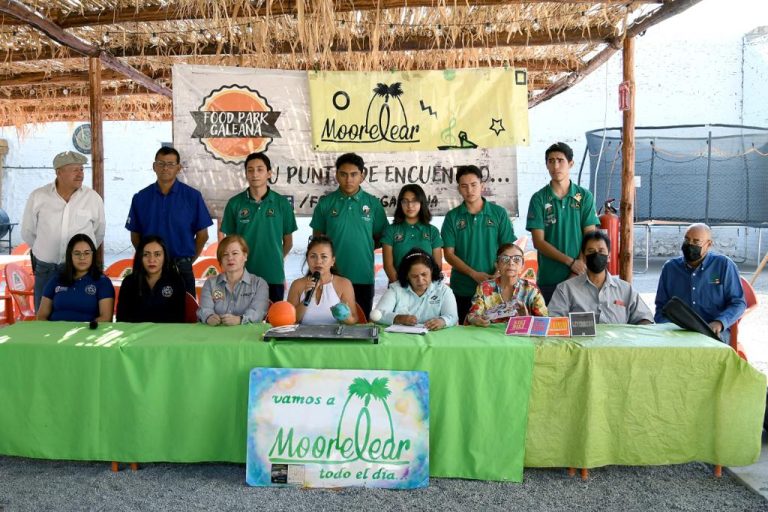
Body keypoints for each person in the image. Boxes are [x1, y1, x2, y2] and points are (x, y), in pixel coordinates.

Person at [21, 151, 105, 311]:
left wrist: (81, 254)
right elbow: (28, 232)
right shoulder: (38, 196)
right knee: (44, 316)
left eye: (82, 169)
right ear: (58, 172)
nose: (80, 174)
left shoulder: (93, 198)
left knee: (79, 314)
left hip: (80, 270)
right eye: (75, 170)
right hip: (46, 268)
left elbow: (98, 232)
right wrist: (46, 249)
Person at [125, 146, 213, 296]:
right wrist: (148, 257)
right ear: (154, 167)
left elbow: (203, 236)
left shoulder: (193, 197)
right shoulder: (141, 198)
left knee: (185, 315)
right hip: (150, 269)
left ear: (178, 168)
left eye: (171, 164)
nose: (165, 168)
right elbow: (135, 236)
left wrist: (188, 261)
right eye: (161, 163)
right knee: (149, 314)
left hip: (182, 267)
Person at [310, 153, 388, 319]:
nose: (348, 179)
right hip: (330, 277)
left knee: (360, 323)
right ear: (337, 175)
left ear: (362, 175)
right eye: (343, 174)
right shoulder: (326, 203)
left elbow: (381, 237)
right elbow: (317, 240)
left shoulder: (373, 204)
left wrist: (363, 247)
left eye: (354, 174)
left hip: (363, 276)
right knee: (329, 322)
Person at [441, 164, 516, 324]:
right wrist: (473, 274)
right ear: (459, 189)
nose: (470, 190)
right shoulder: (452, 217)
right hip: (462, 288)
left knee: (495, 335)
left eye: (474, 185)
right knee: (464, 335)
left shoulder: (499, 213)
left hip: (496, 287)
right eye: (464, 186)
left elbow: (508, 249)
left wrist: (497, 273)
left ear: (482, 186)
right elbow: (448, 254)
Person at [526, 142, 599, 303]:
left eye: (560, 160)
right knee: (551, 324)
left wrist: (577, 268)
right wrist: (571, 262)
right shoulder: (539, 199)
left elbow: (590, 237)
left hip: (581, 277)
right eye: (551, 161)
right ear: (546, 165)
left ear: (570, 164)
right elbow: (538, 242)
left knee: (581, 325)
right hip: (549, 278)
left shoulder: (584, 196)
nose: (555, 165)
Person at [220, 152, 297, 303]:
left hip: (273, 275)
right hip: (241, 275)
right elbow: (229, 243)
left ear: (269, 173)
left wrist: (275, 259)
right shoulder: (234, 203)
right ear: (246, 174)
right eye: (250, 170)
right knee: (242, 320)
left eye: (260, 169)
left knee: (272, 321)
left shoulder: (282, 203)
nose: (255, 174)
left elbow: (288, 241)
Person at [654, 223, 745, 342]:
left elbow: (738, 303)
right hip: (678, 332)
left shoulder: (724, 265)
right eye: (687, 240)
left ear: (709, 244)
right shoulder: (670, 268)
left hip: (713, 332)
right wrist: (669, 327)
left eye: (696, 242)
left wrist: (719, 322)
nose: (690, 244)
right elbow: (661, 307)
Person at [548, 231, 654, 324]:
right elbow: (553, 322)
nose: (596, 255)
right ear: (584, 257)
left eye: (601, 251)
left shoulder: (626, 290)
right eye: (591, 251)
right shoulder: (565, 289)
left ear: (608, 257)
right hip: (580, 346)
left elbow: (645, 319)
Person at [373, 248, 457, 330]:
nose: (420, 280)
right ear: (407, 276)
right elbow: (377, 314)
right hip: (401, 338)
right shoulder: (396, 289)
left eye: (424, 274)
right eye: (414, 276)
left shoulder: (443, 290)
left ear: (431, 271)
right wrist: (398, 318)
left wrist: (442, 321)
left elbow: (452, 316)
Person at [37, 234, 114, 322]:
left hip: (87, 333)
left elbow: (105, 319)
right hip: (55, 333)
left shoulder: (103, 282)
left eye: (87, 253)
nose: (82, 257)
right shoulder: (56, 280)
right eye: (77, 253)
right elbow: (41, 316)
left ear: (93, 255)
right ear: (70, 256)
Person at [466, 243, 548, 327]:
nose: (511, 263)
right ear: (497, 265)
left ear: (522, 266)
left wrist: (526, 318)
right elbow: (472, 315)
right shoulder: (484, 287)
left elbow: (545, 322)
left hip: (520, 338)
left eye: (517, 259)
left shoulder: (532, 290)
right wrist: (476, 320)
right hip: (489, 337)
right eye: (505, 259)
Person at [197, 235, 269, 325]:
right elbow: (204, 309)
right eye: (225, 254)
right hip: (214, 334)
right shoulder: (210, 283)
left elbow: (258, 312)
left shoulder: (259, 284)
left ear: (245, 256)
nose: (230, 258)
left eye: (235, 253)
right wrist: (209, 317)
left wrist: (240, 320)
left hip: (246, 335)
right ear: (220, 259)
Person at [286, 235, 358, 325]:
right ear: (307, 260)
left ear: (332, 261)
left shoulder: (344, 284)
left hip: (335, 337)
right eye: (313, 256)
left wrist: (344, 316)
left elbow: (354, 320)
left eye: (324, 257)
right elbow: (290, 321)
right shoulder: (297, 285)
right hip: (304, 337)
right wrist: (306, 300)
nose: (318, 261)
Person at [381, 184, 443, 284]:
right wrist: (402, 289)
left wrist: (422, 288)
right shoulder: (391, 230)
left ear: (421, 202)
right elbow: (388, 266)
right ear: (400, 204)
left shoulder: (432, 231)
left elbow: (437, 265)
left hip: (426, 290)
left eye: (414, 201)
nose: (409, 205)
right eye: (405, 201)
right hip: (398, 289)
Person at [116, 235, 186, 323]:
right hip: (135, 334)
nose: (152, 260)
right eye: (146, 254)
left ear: (165, 256)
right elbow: (121, 319)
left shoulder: (176, 281)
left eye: (157, 254)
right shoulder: (129, 282)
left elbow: (179, 320)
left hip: (167, 334)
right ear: (140, 257)